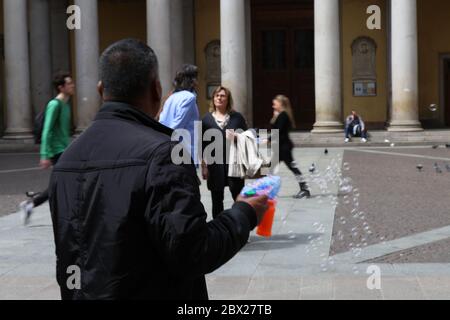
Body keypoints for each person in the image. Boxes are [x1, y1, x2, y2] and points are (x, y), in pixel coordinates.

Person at [48, 39, 268, 300]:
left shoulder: (66, 160)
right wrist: (243, 213)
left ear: (100, 89)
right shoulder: (165, 154)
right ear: (156, 90)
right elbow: (193, 252)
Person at [19, 72, 75, 225]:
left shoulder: (66, 105)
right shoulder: (54, 105)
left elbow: (62, 132)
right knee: (66, 180)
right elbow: (47, 130)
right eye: (69, 84)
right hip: (56, 151)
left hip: (64, 149)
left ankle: (31, 205)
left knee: (60, 183)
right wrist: (44, 154)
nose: (72, 85)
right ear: (61, 87)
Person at [201, 86, 248, 219]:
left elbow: (248, 137)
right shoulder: (206, 120)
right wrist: (204, 167)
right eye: (217, 96)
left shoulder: (237, 117)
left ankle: (241, 228)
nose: (219, 98)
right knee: (216, 201)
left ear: (228, 99)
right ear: (213, 99)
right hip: (214, 166)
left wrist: (237, 137)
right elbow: (202, 145)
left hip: (234, 165)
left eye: (222, 96)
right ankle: (219, 231)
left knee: (238, 199)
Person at [270, 95, 311, 199]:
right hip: (281, 147)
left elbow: (278, 131)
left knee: (292, 168)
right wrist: (275, 117)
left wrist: (269, 138)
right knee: (271, 169)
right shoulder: (281, 115)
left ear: (281, 104)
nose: (273, 105)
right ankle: (266, 191)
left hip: (283, 148)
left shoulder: (283, 115)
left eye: (275, 103)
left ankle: (305, 190)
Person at [158, 64, 200, 164]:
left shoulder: (171, 97)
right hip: (184, 152)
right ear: (192, 81)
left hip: (170, 149)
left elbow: (162, 121)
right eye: (196, 78)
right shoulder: (189, 98)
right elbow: (177, 125)